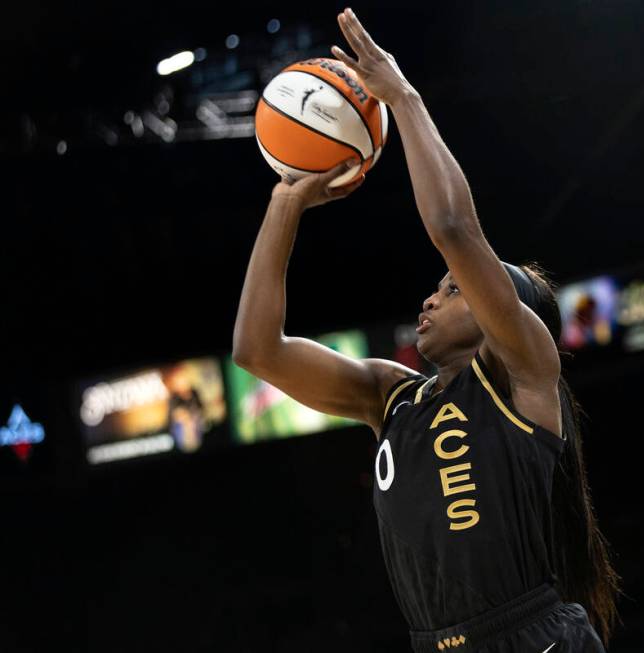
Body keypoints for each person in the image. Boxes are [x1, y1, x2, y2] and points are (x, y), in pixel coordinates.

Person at [232, 8, 620, 651]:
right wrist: (285, 203)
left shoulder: (523, 372)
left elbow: (452, 229)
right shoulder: (392, 397)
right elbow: (255, 350)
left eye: (453, 288)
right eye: (437, 286)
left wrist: (401, 97)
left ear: (503, 312)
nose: (430, 300)